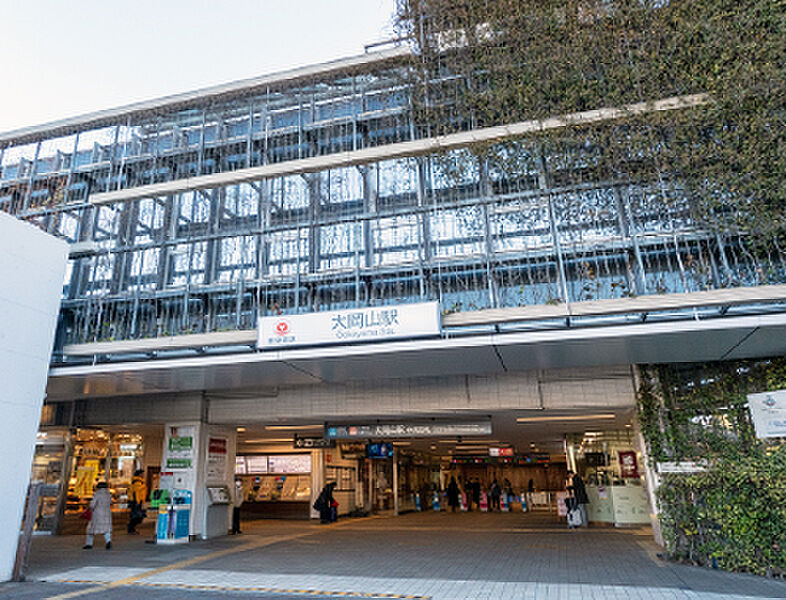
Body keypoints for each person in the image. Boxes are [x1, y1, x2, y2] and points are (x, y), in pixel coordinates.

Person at [84, 482, 112, 550]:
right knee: (106, 529)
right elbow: (110, 502)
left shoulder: (97, 494)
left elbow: (93, 504)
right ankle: (108, 541)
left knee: (90, 529)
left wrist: (89, 507)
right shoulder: (108, 494)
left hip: (97, 513)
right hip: (107, 513)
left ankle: (89, 544)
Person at [127, 469, 147, 535]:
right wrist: (138, 502)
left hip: (136, 501)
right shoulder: (137, 482)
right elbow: (136, 492)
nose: (143, 475)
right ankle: (130, 528)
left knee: (137, 515)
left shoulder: (139, 481)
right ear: (139, 474)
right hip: (136, 501)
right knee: (137, 516)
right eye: (142, 474)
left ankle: (131, 528)